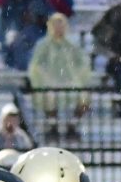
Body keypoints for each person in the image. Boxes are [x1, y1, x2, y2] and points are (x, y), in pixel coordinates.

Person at [27, 12, 92, 143]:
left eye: (61, 24)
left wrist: (77, 77)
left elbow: (81, 64)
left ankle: (72, 127)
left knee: (83, 97)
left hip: (70, 82)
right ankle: (53, 127)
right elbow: (36, 64)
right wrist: (45, 76)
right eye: (55, 25)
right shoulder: (43, 45)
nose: (58, 28)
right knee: (50, 96)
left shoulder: (71, 45)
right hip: (49, 82)